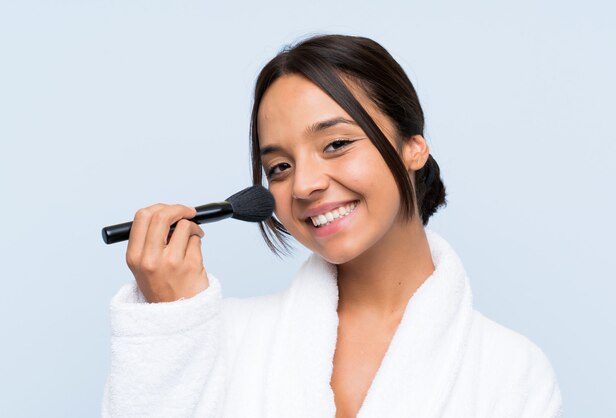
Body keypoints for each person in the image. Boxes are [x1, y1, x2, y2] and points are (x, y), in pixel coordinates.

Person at [101, 34, 562, 417]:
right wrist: (170, 324)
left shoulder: (510, 371)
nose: (304, 184)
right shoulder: (217, 340)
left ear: (413, 148)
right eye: (279, 167)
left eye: (336, 143)